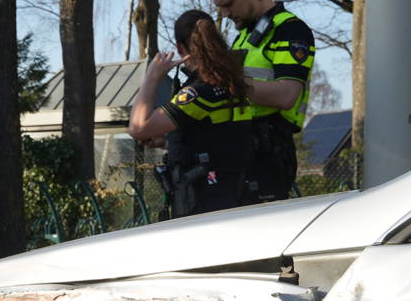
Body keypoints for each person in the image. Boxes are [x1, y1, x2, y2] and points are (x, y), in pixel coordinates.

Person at [129, 11, 304, 218]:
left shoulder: (199, 92)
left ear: (180, 48)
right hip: (231, 197)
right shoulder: (233, 87)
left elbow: (138, 127)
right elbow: (219, 138)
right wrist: (168, 140)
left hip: (201, 205)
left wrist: (151, 76)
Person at [201, 0, 315, 201]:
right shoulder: (244, 35)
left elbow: (287, 95)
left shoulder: (289, 29)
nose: (225, 14)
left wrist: (228, 81)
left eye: (228, 4)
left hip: (269, 152)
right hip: (240, 150)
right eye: (220, 7)